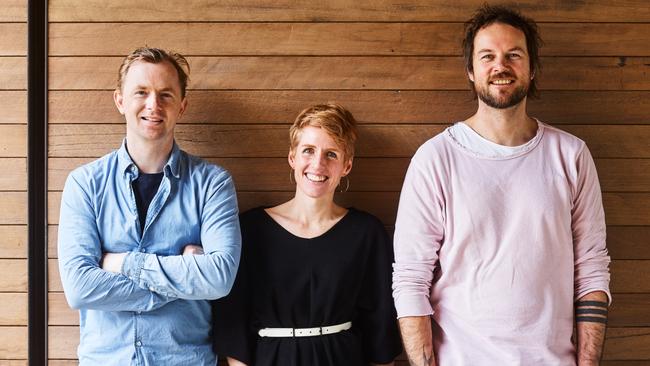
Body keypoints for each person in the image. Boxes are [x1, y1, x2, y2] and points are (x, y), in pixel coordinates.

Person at [392, 5, 611, 366]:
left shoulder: (571, 155)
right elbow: (411, 280)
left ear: (532, 67)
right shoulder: (435, 159)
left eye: (514, 55)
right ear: (470, 70)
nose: (500, 66)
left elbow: (591, 269)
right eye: (488, 56)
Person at [57, 47, 241, 365]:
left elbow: (219, 278)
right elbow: (79, 287)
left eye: (166, 94)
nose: (153, 105)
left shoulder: (213, 184)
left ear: (182, 105)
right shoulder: (84, 184)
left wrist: (125, 263)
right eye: (141, 92)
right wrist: (181, 281)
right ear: (120, 100)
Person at [211, 104, 402, 365]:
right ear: (292, 157)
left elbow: (380, 329)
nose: (318, 164)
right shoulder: (251, 229)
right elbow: (235, 328)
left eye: (331, 154)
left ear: (346, 165)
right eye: (308, 151)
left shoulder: (367, 234)